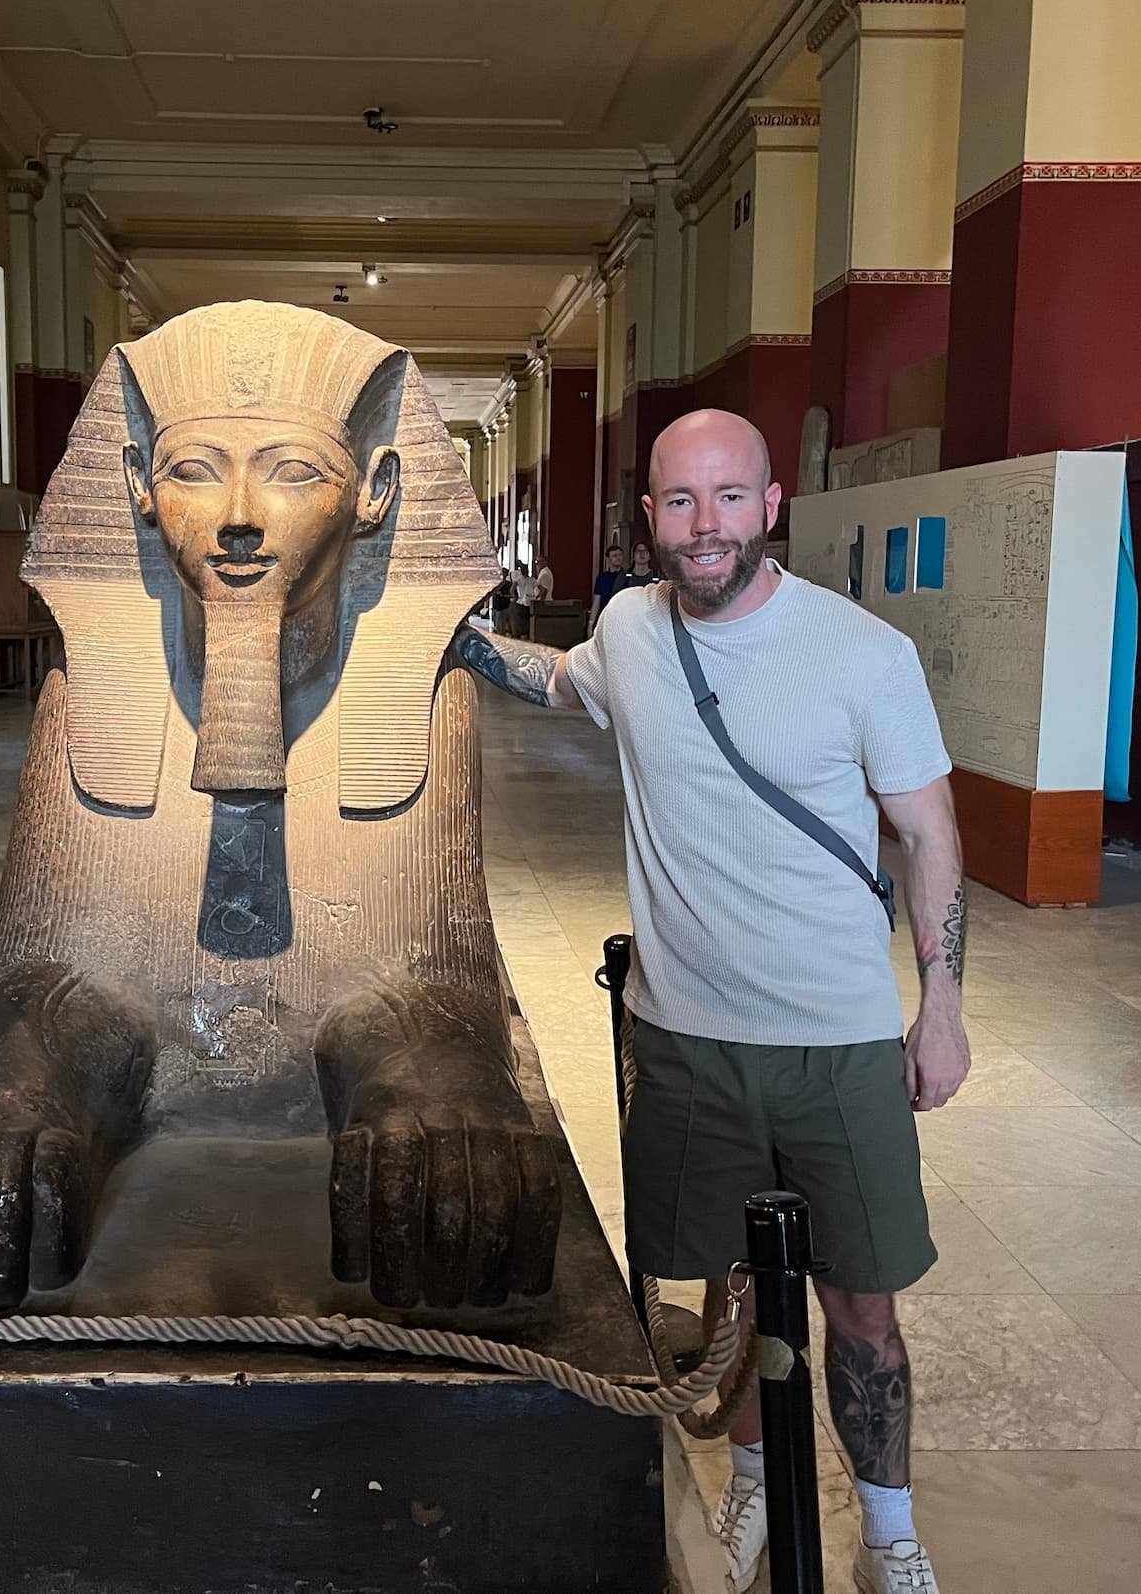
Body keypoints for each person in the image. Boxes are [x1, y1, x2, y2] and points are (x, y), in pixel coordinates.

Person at [450, 408, 969, 1594]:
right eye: (679, 502)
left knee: (861, 1304)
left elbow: (930, 834)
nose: (704, 526)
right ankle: (751, 1488)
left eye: (728, 497)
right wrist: (454, 639)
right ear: (649, 517)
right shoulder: (630, 631)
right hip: (685, 1039)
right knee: (730, 1295)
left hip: (835, 1039)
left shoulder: (860, 653)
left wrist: (939, 1010)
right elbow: (555, 679)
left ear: (770, 505)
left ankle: (887, 1533)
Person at [591, 544, 626, 628]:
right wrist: (591, 622)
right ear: (608, 558)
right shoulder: (602, 578)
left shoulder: (627, 576)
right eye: (615, 555)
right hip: (605, 615)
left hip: (623, 616)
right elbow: (596, 602)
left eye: (620, 555)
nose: (618, 558)